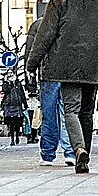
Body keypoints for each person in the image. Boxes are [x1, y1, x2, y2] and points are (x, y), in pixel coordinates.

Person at [26, 0, 98, 173]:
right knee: (87, 112)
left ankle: (78, 150)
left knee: (71, 110)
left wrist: (32, 63)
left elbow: (45, 35)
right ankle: (85, 152)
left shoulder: (60, 0)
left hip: (64, 66)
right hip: (93, 66)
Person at [24, 23, 75, 167]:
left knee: (49, 114)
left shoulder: (40, 24)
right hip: (68, 74)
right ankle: (70, 152)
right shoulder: (71, 19)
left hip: (49, 74)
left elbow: (32, 50)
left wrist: (30, 72)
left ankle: (47, 154)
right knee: (68, 113)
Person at [1, 75, 27, 144]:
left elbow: (22, 93)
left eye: (11, 73)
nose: (10, 75)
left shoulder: (18, 83)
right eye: (8, 73)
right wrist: (7, 82)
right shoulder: (6, 84)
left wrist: (24, 103)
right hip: (9, 105)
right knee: (11, 123)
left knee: (18, 123)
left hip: (17, 105)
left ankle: (17, 136)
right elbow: (4, 91)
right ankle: (12, 139)